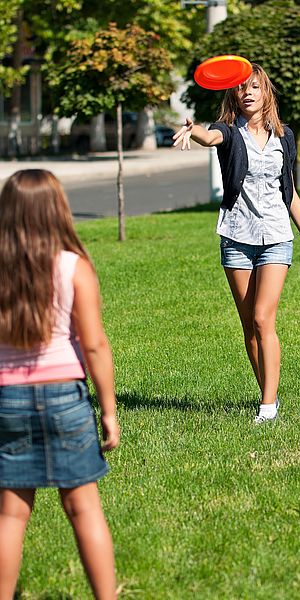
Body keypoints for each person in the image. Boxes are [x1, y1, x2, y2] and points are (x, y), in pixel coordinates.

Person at [173, 63, 300, 424]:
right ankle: (268, 393)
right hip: (237, 237)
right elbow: (210, 138)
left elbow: (289, 192)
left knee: (262, 318)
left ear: (265, 92)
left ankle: (267, 408)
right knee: (248, 327)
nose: (248, 93)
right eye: (241, 89)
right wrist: (192, 130)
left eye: (254, 87)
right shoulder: (227, 131)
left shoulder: (284, 136)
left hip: (275, 237)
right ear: (233, 95)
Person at [0, 169, 120, 599]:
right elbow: (95, 346)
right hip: (65, 400)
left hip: (7, 400)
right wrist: (108, 411)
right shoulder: (74, 267)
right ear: (58, 210)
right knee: (83, 508)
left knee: (11, 516)